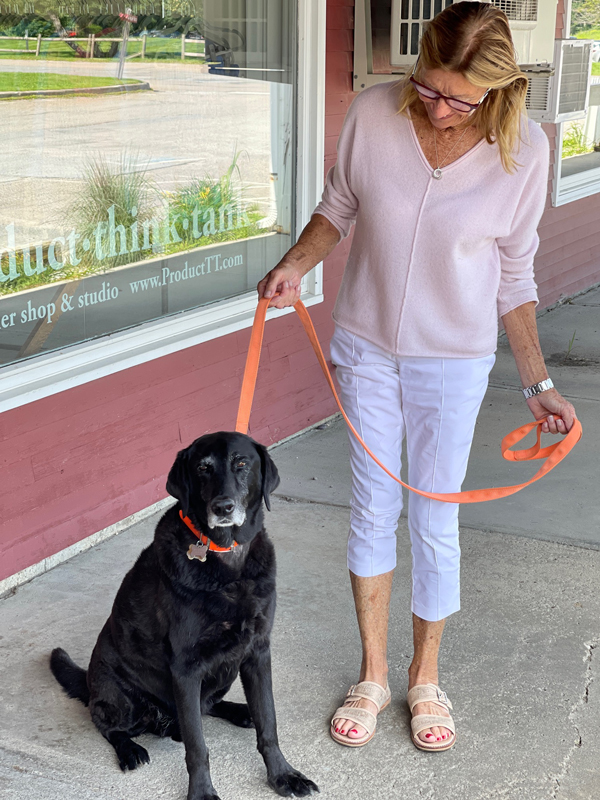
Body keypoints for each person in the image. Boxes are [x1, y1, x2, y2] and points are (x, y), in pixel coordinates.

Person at [257, 2, 577, 752]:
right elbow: (339, 207)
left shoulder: (524, 151)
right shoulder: (373, 114)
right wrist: (293, 267)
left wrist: (537, 385)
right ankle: (372, 674)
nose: (440, 109)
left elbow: (515, 272)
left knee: (434, 518)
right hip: (366, 346)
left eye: (461, 98)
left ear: (497, 88)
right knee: (372, 508)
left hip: (453, 362)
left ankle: (424, 676)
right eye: (430, 89)